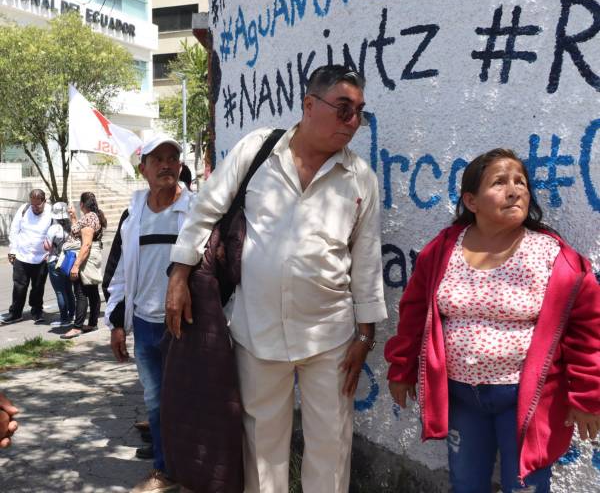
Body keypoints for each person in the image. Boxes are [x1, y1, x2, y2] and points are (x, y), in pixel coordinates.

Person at [166, 64, 387, 493]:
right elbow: (205, 211)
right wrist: (179, 275)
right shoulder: (259, 150)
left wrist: (365, 335)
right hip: (258, 329)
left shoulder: (360, 177)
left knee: (331, 448)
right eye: (344, 109)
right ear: (309, 104)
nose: (352, 121)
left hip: (330, 337)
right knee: (261, 451)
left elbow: (366, 259)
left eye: (360, 112)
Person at [384, 148, 600, 493]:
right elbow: (414, 313)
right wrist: (402, 369)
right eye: (499, 182)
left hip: (526, 399)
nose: (514, 191)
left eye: (521, 182)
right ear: (471, 201)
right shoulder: (443, 250)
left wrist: (587, 396)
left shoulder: (552, 256)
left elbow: (586, 329)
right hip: (461, 395)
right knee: (465, 482)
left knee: (525, 485)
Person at [103, 134, 193, 493]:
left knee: (187, 399)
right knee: (155, 402)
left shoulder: (196, 211)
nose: (166, 165)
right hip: (144, 324)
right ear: (144, 169)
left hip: (185, 325)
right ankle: (165, 469)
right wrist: (117, 324)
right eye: (158, 159)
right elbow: (121, 272)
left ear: (181, 166)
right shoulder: (133, 214)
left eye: (172, 158)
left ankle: (192, 468)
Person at [1, 189, 52, 325]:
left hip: (42, 258)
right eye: (32, 204)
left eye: (38, 205)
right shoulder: (24, 209)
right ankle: (15, 313)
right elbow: (14, 230)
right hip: (22, 256)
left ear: (44, 201)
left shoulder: (50, 212)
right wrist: (13, 250)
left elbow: (56, 233)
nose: (34, 208)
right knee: (19, 287)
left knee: (38, 287)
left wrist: (51, 253)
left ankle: (37, 311)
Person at [61, 192, 106, 339]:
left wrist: (76, 266)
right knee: (92, 291)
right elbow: (79, 231)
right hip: (91, 256)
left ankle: (77, 327)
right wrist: (73, 217)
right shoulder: (93, 216)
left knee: (81, 292)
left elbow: (86, 245)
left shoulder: (89, 218)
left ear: (82, 204)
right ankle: (92, 323)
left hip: (85, 257)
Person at [44, 201, 75, 327]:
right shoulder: (71, 227)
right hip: (67, 261)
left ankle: (64, 319)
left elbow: (47, 246)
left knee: (60, 291)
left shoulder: (53, 228)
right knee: (69, 290)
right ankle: (72, 315)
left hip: (54, 261)